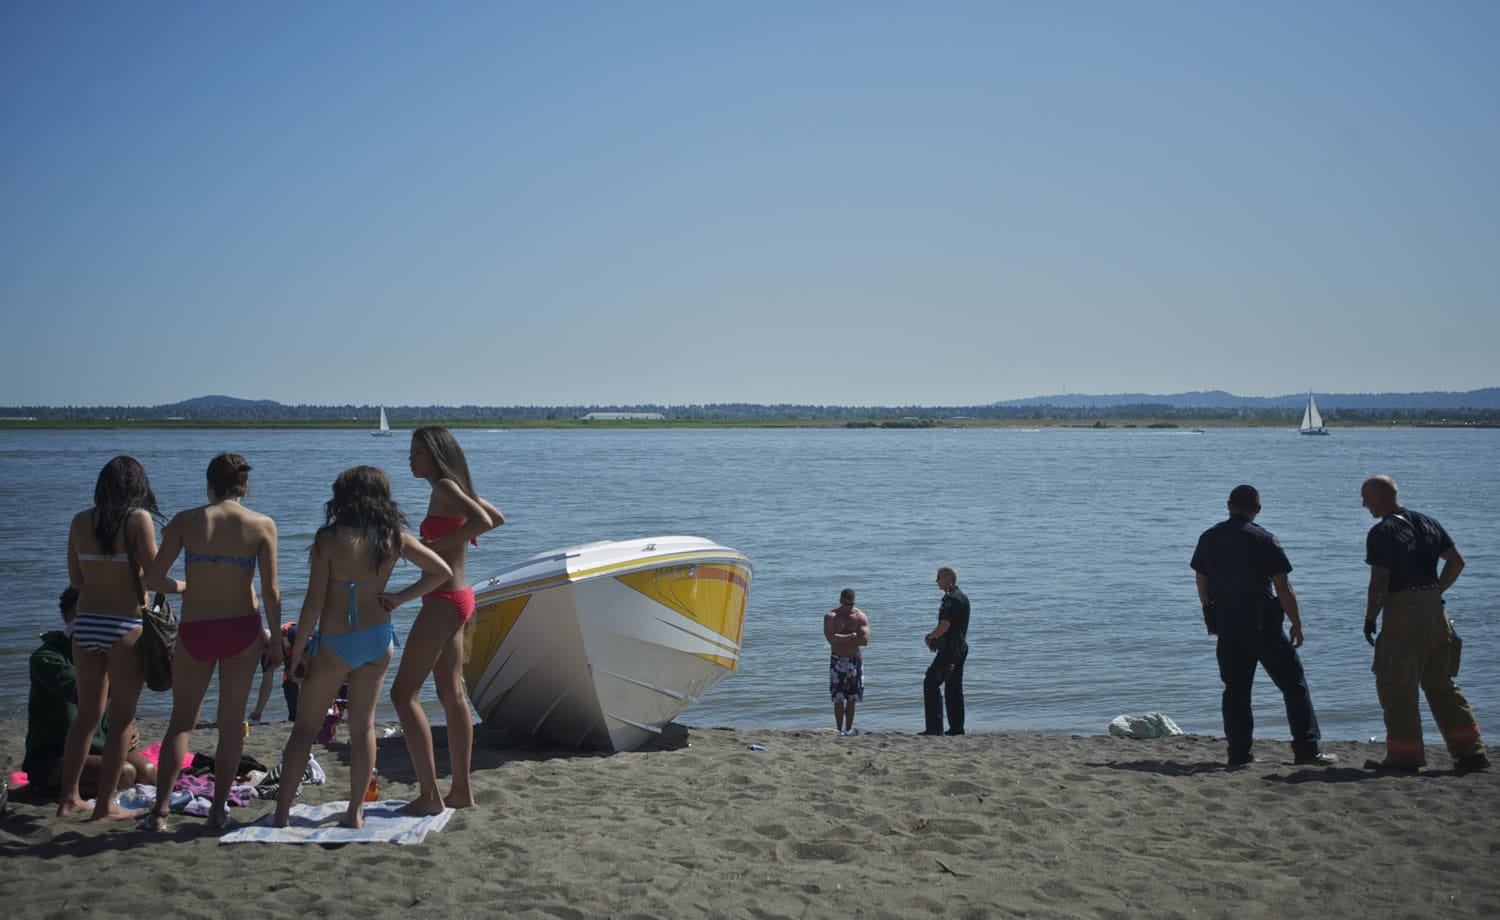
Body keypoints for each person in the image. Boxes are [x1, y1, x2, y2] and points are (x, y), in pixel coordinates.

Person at [274, 466, 451, 829]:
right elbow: (441, 570)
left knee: (305, 729)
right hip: (378, 639)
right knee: (363, 728)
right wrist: (400, 598)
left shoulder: (328, 538)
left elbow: (312, 603)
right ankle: (355, 811)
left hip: (336, 643)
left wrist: (299, 651)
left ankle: (281, 814)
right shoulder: (392, 537)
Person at [143, 453, 282, 831]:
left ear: (209, 485)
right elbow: (270, 591)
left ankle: (158, 814)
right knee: (231, 723)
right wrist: (275, 642)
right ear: (245, 486)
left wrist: (188, 585)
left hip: (196, 629)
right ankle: (218, 810)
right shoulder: (262, 524)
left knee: (181, 724)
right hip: (242, 629)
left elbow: (154, 580)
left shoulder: (186, 522)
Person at [57, 455, 180, 819]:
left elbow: (76, 581)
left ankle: (68, 800)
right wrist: (190, 586)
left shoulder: (80, 520)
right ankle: (105, 804)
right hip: (124, 626)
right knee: (121, 721)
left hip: (85, 623)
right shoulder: (138, 519)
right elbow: (157, 576)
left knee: (86, 717)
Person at [391, 427, 504, 815]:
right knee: (451, 694)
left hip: (443, 602)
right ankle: (460, 791)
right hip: (457, 597)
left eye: (418, 452)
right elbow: (496, 516)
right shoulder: (448, 488)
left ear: (437, 454)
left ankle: (430, 797)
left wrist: (431, 548)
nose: (411, 458)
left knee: (401, 695)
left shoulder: (444, 488)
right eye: (410, 451)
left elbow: (487, 522)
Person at [1191, 484, 1336, 768]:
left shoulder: (1209, 537)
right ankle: (1306, 750)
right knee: (1293, 686)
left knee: (1235, 690)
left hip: (1228, 625)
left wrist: (1210, 608)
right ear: (1257, 509)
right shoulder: (1263, 539)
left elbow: (1202, 582)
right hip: (1262, 625)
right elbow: (1282, 585)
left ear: (1228, 504)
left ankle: (1239, 754)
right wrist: (1296, 622)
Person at [1360, 475, 1488, 773]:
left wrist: (1370, 618)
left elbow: (1380, 581)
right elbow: (1456, 561)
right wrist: (1437, 592)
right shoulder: (1428, 522)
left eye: (1366, 497)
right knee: (1441, 684)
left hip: (1404, 612)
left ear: (1380, 496)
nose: (1363, 504)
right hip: (1435, 612)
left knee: (1397, 684)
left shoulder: (1382, 532)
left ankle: (1404, 758)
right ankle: (1471, 754)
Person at [26, 587, 158, 796]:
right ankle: (49, 789)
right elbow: (85, 694)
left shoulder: (106, 653)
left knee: (149, 773)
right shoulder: (48, 657)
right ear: (74, 616)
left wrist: (126, 726)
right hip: (53, 755)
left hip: (100, 746)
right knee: (124, 774)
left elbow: (114, 700)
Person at [922, 566, 969, 736]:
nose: (937, 581)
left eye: (939, 577)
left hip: (950, 650)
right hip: (959, 648)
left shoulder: (953, 600)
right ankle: (956, 728)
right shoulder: (959, 597)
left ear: (949, 578)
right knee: (953, 687)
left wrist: (930, 636)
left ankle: (934, 728)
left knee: (931, 682)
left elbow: (945, 625)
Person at [824, 588, 870, 737]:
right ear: (840, 601)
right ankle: (839, 728)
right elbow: (831, 638)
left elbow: (864, 640)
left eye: (850, 604)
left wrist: (842, 638)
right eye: (845, 604)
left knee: (852, 697)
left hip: (853, 660)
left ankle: (848, 728)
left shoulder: (860, 617)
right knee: (838, 697)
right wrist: (851, 636)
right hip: (837, 659)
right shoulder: (831, 616)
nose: (848, 607)